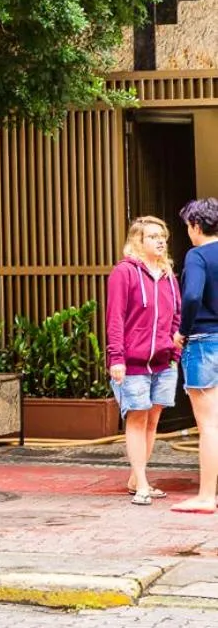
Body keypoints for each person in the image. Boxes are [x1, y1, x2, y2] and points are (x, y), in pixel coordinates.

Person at [106, 216, 181, 505]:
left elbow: (177, 317)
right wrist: (117, 358)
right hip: (132, 363)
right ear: (137, 241)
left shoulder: (168, 275)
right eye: (152, 236)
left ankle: (136, 479)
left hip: (163, 363)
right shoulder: (124, 272)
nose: (160, 241)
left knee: (153, 421)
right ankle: (142, 484)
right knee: (137, 419)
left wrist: (174, 353)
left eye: (162, 236)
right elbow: (115, 318)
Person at [175, 198, 218, 514]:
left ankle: (206, 496)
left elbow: (191, 296)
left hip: (203, 342)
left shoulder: (197, 255)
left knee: (209, 425)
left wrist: (182, 330)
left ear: (195, 225)